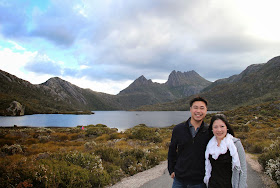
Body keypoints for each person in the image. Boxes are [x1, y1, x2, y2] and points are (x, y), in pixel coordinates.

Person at [168, 96, 209, 188]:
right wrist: (171, 170)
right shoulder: (178, 129)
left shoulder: (209, 131)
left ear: (206, 110)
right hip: (179, 181)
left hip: (199, 182)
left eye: (202, 108)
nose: (198, 111)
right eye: (195, 108)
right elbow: (172, 151)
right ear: (190, 109)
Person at [204, 114, 247, 188]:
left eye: (222, 126)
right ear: (212, 129)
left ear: (227, 127)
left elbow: (243, 170)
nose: (219, 130)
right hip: (213, 185)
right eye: (215, 127)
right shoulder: (209, 145)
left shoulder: (235, 144)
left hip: (230, 185)